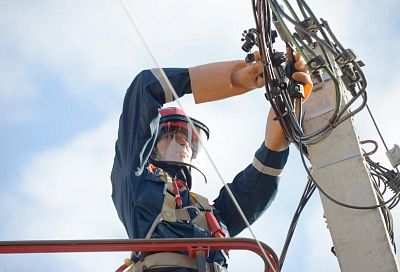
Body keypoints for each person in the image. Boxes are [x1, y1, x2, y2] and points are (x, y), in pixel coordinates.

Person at [111, 52, 312, 271]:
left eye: (187, 140)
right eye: (170, 135)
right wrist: (234, 78)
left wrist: (286, 108)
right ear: (151, 143)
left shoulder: (213, 214)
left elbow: (257, 186)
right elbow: (145, 88)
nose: (182, 143)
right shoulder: (136, 185)